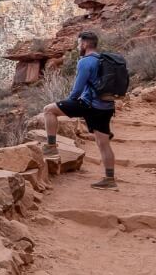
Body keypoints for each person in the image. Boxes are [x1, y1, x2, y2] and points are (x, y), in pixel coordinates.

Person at [42, 31, 118, 190]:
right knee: (103, 143)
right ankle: (110, 179)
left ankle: (51, 147)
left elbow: (77, 89)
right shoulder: (103, 60)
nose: (78, 47)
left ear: (84, 44)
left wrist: (68, 102)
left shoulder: (85, 62)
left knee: (49, 110)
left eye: (78, 44)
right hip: (106, 106)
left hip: (89, 104)